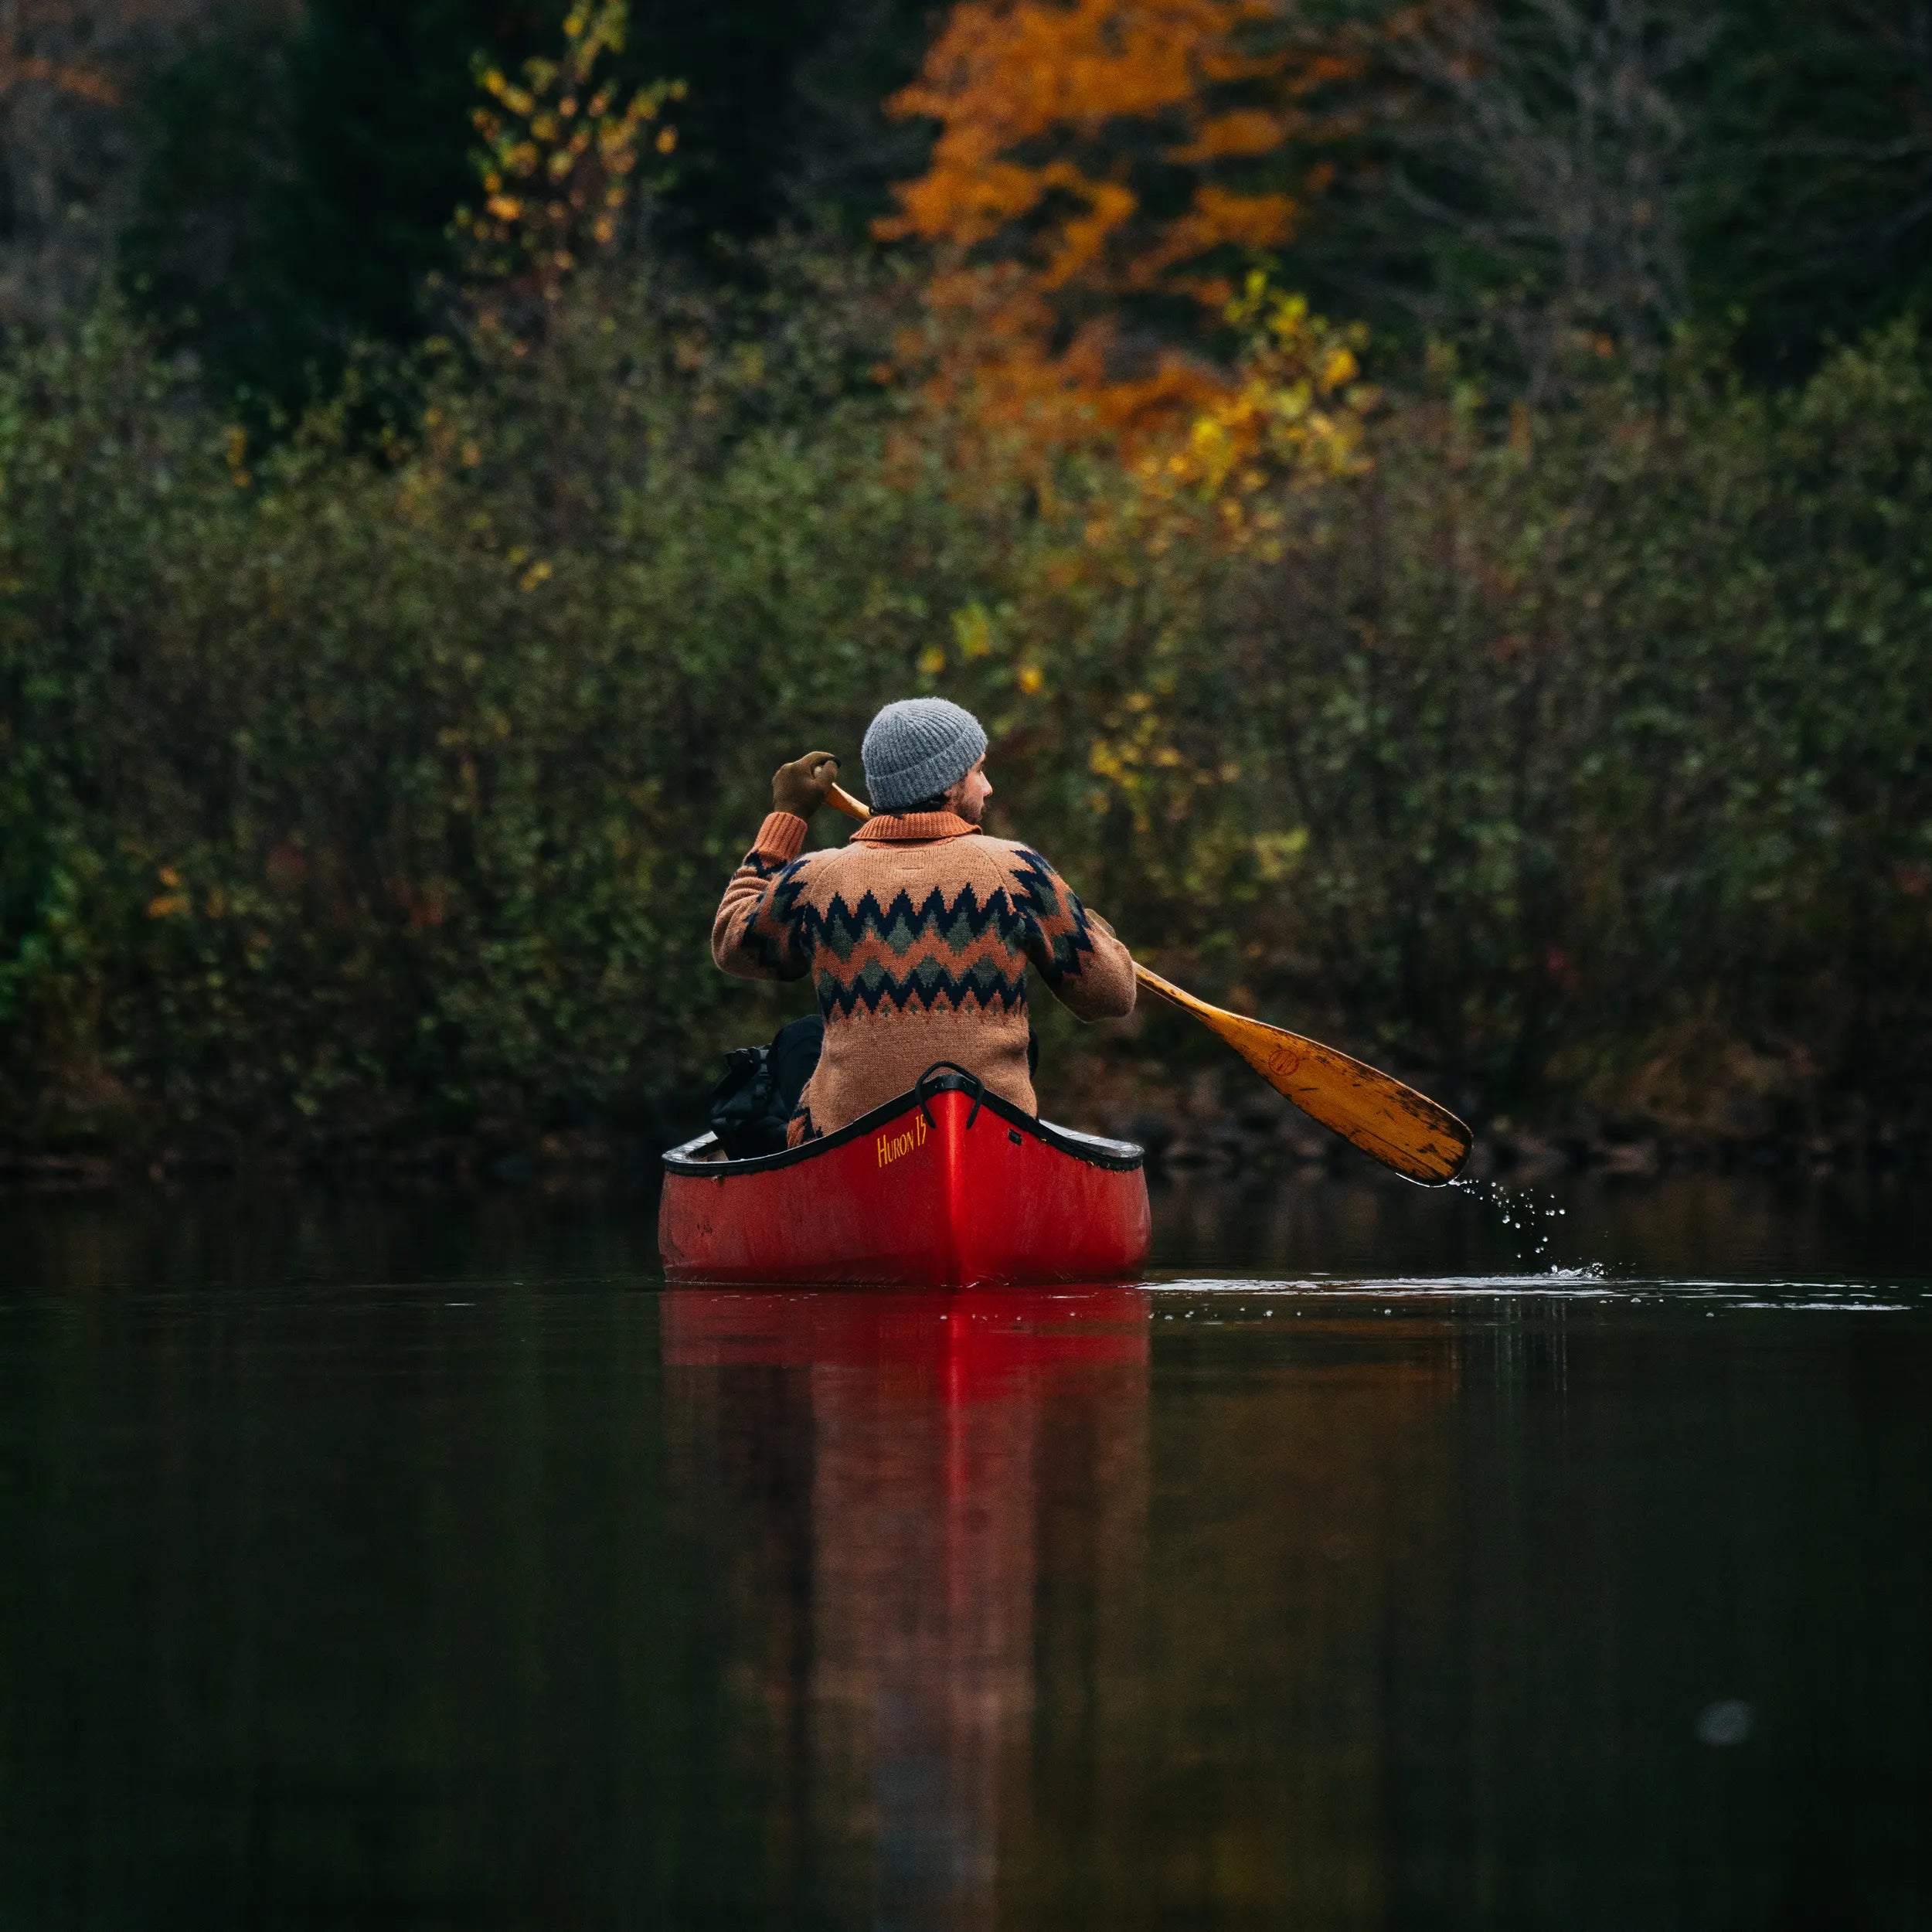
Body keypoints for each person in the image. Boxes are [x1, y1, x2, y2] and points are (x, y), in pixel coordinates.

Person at [712, 696, 1136, 1145]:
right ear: (951, 785)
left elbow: (731, 941)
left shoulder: (818, 879)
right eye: (979, 771)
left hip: (848, 1138)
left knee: (801, 1039)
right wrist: (1095, 935)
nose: (988, 787)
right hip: (987, 1134)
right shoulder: (1016, 872)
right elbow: (1112, 995)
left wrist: (786, 818)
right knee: (1022, 1040)